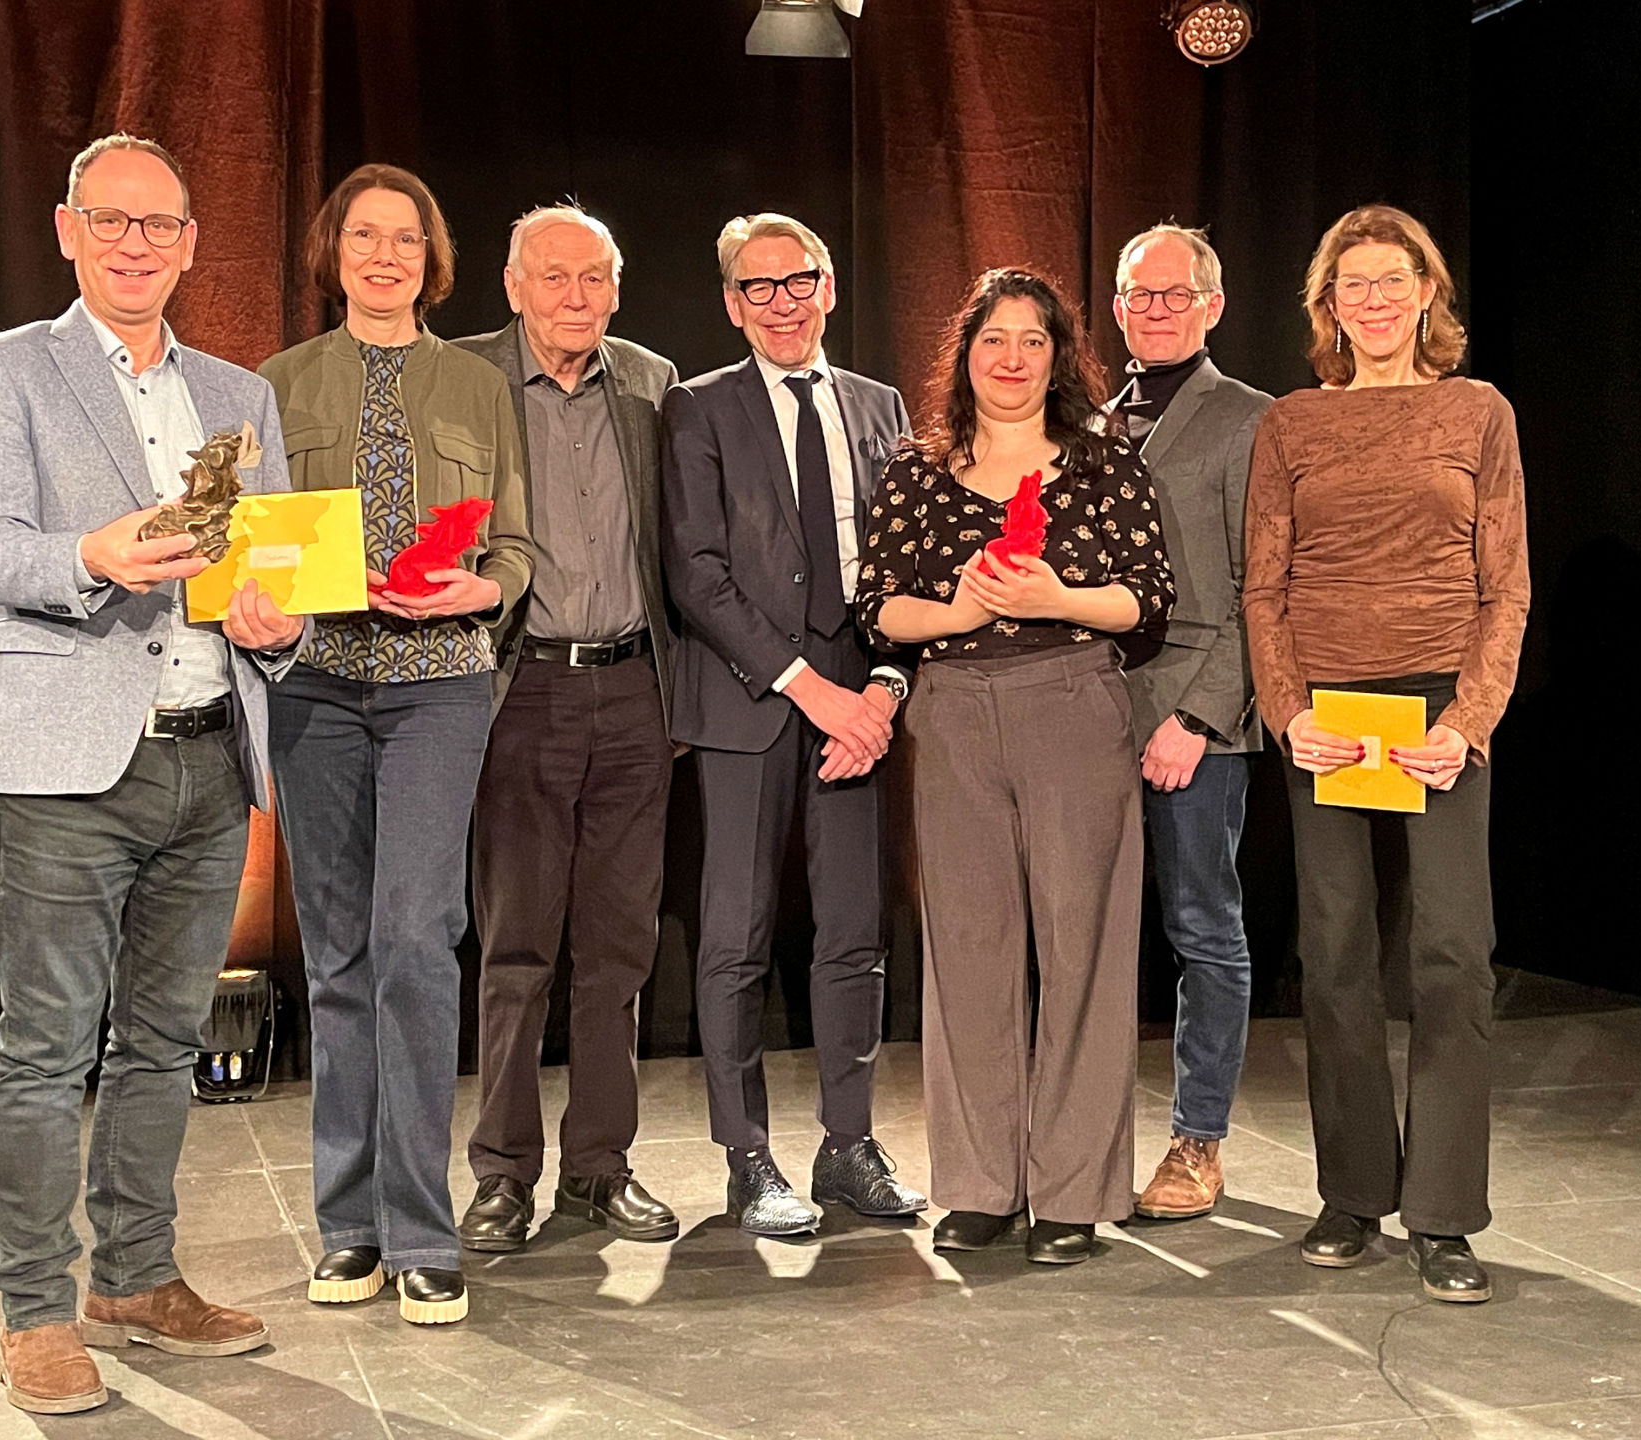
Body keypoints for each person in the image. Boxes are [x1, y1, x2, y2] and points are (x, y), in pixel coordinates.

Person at [0, 133, 301, 1414]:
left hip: (212, 759)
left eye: (161, 224)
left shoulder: (240, 395)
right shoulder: (2, 370)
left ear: (196, 243)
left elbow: (276, 577)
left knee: (160, 1044)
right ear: (67, 229)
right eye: (113, 220)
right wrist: (91, 550)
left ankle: (135, 1275)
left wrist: (281, 622)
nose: (137, 242)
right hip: (64, 764)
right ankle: (34, 1308)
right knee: (42, 1049)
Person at [257, 164, 531, 1326]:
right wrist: (258, 603)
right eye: (364, 238)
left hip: (440, 688)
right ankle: (349, 1227)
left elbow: (516, 546)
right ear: (334, 253)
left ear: (432, 255)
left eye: (404, 239)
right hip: (316, 687)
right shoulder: (272, 385)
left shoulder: (477, 384)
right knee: (338, 957)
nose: (384, 257)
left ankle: (424, 1231)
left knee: (415, 940)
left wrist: (481, 584)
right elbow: (254, 548)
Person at [857, 267, 1174, 1265]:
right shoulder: (916, 466)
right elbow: (879, 606)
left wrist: (1053, 595)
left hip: (1073, 701)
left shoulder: (1103, 461)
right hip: (953, 714)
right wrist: (957, 611)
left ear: (1058, 356)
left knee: (1083, 948)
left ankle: (1075, 1193)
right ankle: (984, 1184)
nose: (1011, 358)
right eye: (994, 338)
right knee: (970, 947)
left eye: (1033, 340)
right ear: (966, 352)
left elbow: (1145, 599)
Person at [1242, 204, 1529, 1303]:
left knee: (1454, 952)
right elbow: (1264, 583)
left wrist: (1469, 720)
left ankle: (1446, 1214)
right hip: (1330, 711)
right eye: (1350, 282)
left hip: (1441, 708)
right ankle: (1354, 1189)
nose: (1371, 298)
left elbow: (1506, 584)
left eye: (1391, 279)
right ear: (1328, 303)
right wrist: (1288, 709)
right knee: (1338, 949)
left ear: (1425, 293)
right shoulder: (1292, 426)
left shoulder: (1478, 411)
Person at [662, 212, 923, 1235]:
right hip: (751, 711)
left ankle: (848, 1147)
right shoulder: (698, 409)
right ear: (732, 304)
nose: (782, 301)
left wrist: (884, 691)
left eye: (798, 280)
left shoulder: (880, 405)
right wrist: (810, 687)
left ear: (829, 288)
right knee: (734, 941)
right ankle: (748, 1159)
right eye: (758, 287)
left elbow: (906, 566)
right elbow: (699, 576)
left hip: (862, 713)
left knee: (855, 936)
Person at [451, 205, 680, 1252]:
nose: (575, 298)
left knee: (619, 950)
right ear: (512, 285)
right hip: (521, 687)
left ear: (618, 289)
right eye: (555, 278)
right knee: (516, 947)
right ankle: (502, 1175)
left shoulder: (653, 383)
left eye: (594, 278)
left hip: (636, 693)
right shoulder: (462, 377)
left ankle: (601, 1167)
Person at [1106, 226, 1273, 1220]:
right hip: (1084, 712)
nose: (1156, 309)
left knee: (1203, 929)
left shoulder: (1253, 420)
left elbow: (1265, 587)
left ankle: (1197, 1143)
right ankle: (1082, 1136)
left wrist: (1200, 717)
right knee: (1086, 932)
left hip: (1193, 722)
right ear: (1118, 306)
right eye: (1139, 294)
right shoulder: (1085, 417)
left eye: (1176, 294)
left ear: (1213, 306)